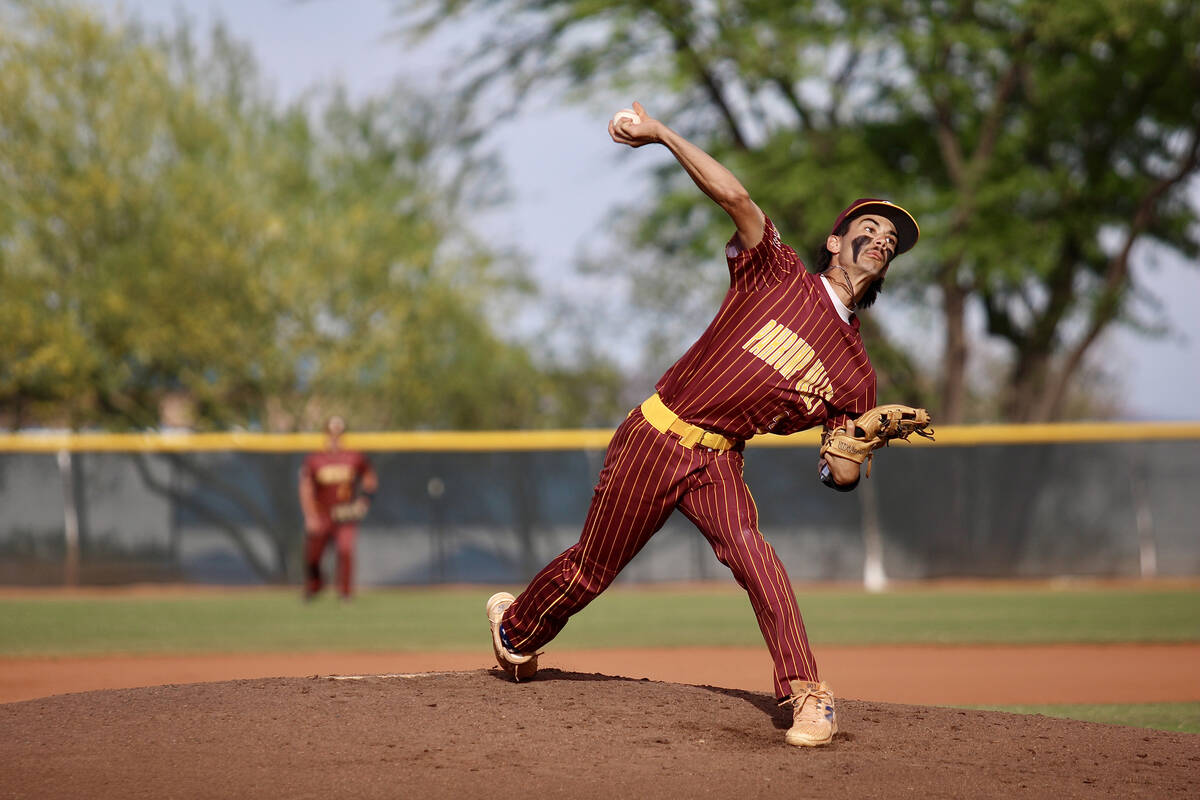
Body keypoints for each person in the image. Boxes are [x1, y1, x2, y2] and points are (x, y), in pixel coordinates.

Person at [486, 101, 924, 747]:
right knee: (590, 571)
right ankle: (516, 628)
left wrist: (855, 446)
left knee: (756, 557)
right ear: (834, 241)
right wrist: (661, 133)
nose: (882, 237)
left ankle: (806, 694)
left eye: (892, 239)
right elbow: (738, 197)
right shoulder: (776, 273)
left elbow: (840, 473)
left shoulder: (857, 374)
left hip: (718, 459)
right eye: (869, 225)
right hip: (656, 433)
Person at [298, 415, 378, 600]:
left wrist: (364, 501)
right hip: (321, 513)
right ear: (325, 433)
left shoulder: (354, 456)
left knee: (345, 550)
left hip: (344, 515)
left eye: (338, 433)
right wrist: (310, 515)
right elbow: (306, 488)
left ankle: (345, 593)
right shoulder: (315, 459)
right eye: (331, 433)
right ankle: (315, 586)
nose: (335, 437)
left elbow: (370, 479)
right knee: (314, 557)